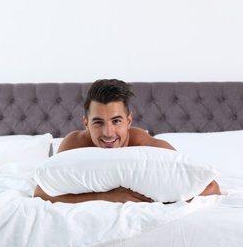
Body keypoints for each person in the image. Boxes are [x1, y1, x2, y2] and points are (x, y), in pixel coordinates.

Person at [34, 79, 221, 203]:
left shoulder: (147, 147)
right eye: (98, 122)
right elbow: (41, 193)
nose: (108, 133)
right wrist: (105, 197)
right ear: (86, 123)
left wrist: (151, 198)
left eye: (116, 121)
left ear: (129, 120)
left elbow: (212, 188)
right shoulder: (74, 144)